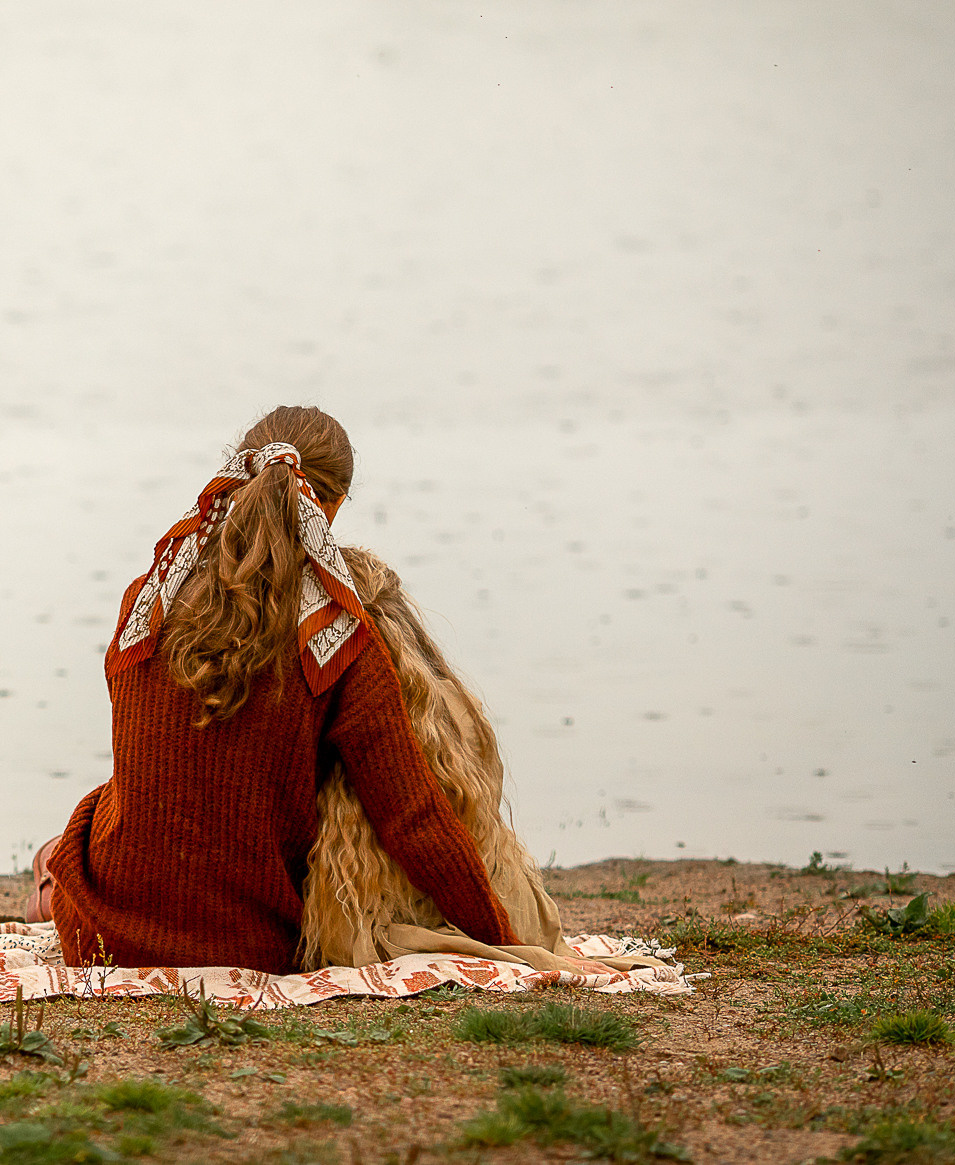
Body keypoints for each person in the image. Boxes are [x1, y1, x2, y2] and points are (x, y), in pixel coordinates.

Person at [34, 406, 630, 979]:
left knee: (74, 838)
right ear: (336, 505)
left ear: (235, 478)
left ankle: (45, 887)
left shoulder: (149, 595)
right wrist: (508, 940)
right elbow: (411, 818)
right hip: (253, 945)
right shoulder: (338, 636)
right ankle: (47, 878)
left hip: (101, 938)